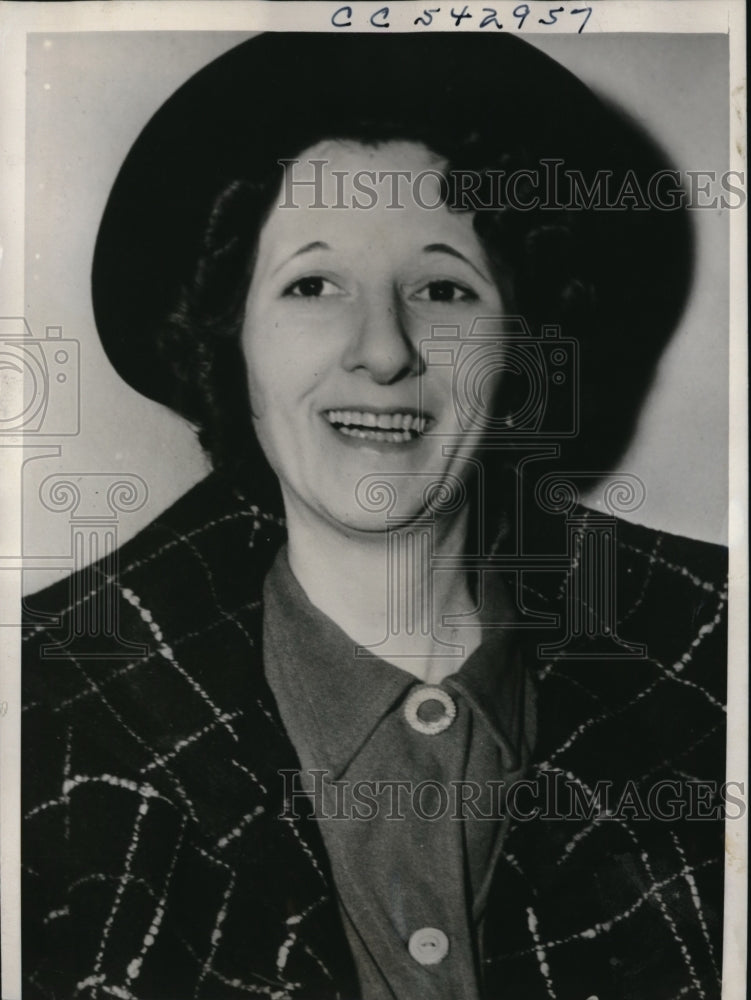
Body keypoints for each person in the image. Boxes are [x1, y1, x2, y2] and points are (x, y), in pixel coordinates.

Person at [22, 32, 727, 1000]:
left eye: (443, 288)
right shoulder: (43, 709)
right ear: (231, 340)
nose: (383, 350)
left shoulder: (715, 665)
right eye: (312, 285)